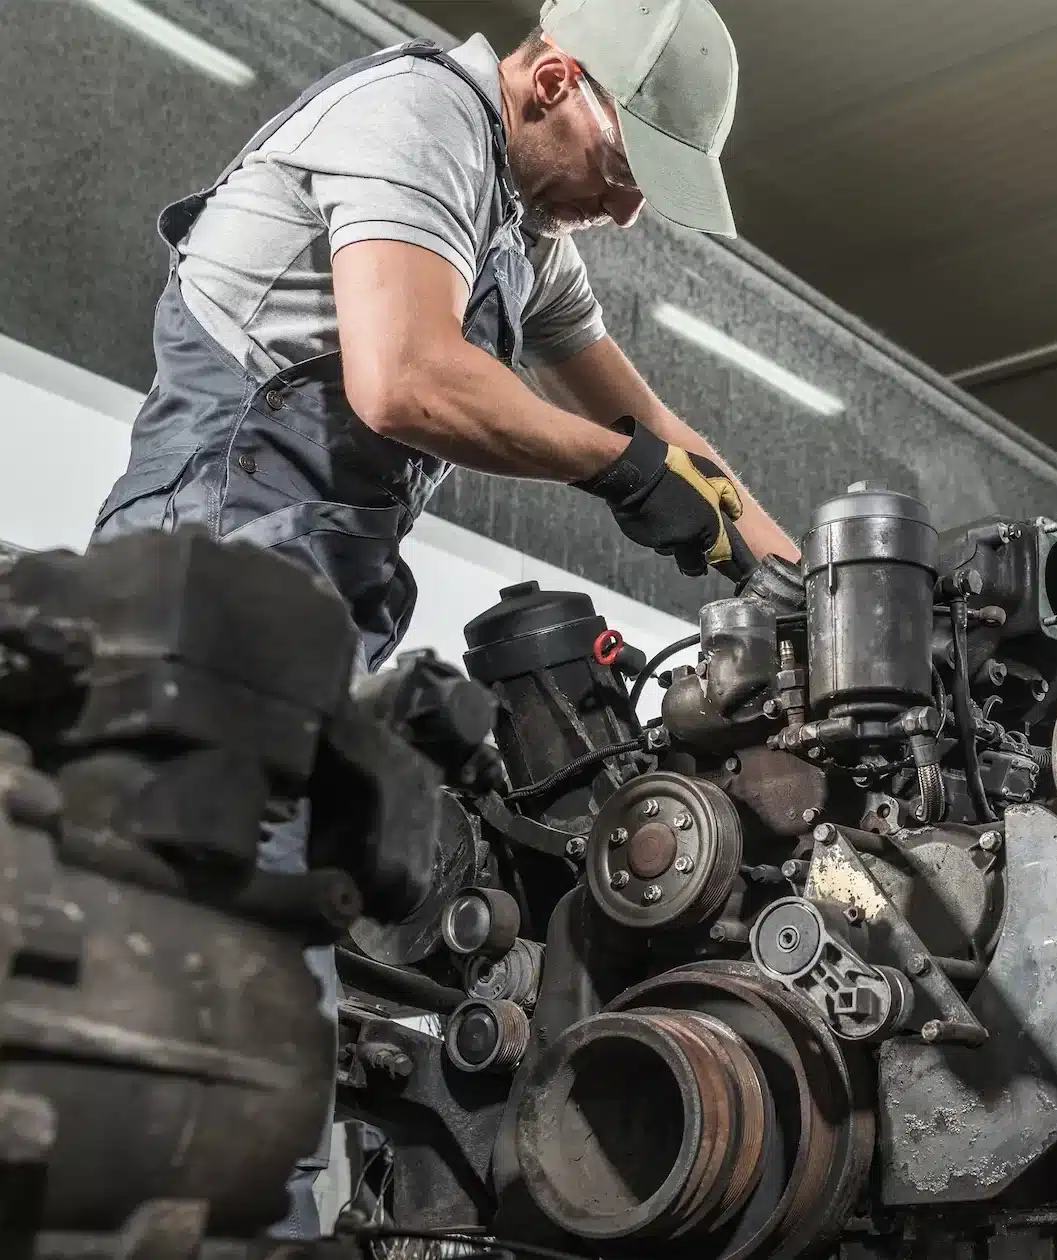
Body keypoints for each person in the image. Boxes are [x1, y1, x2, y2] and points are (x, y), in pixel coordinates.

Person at [93, 0, 798, 1237]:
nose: (630, 209)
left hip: (310, 604)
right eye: (627, 169)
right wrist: (616, 474)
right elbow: (406, 374)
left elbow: (669, 441)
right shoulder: (414, 115)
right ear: (551, 83)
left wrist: (802, 585)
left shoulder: (524, 238)